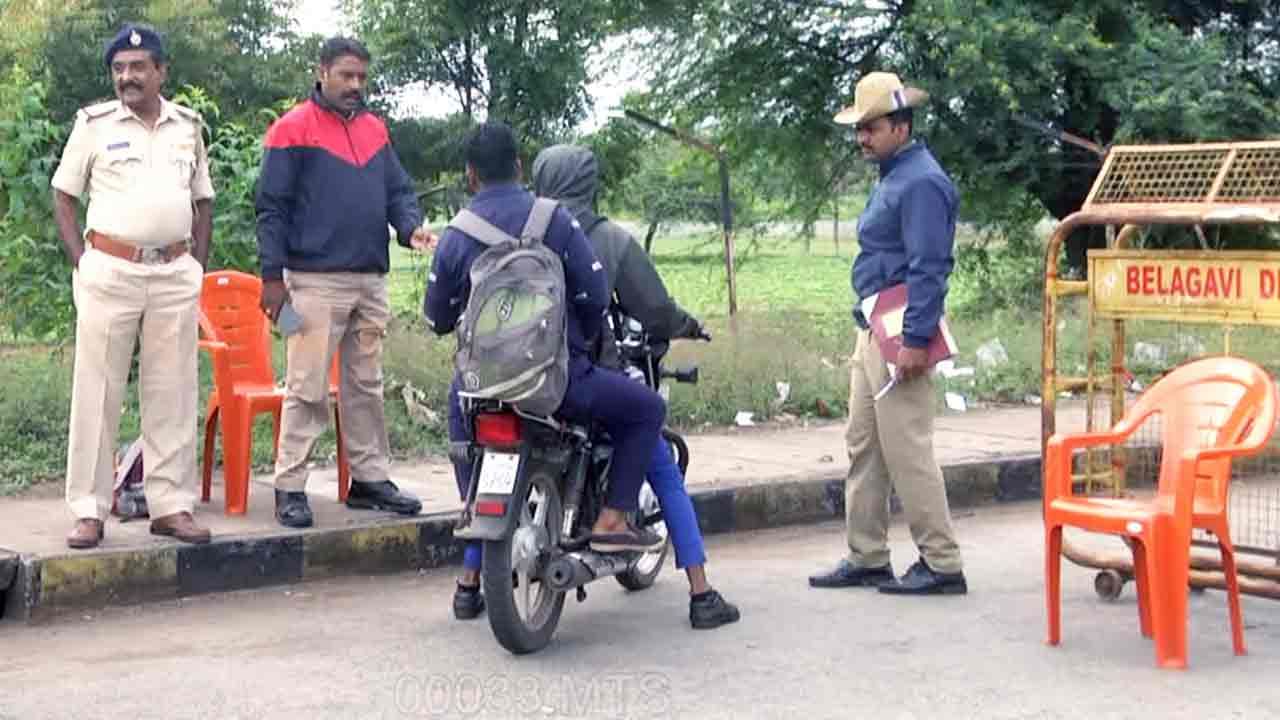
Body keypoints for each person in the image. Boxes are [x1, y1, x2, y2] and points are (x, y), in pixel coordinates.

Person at [425, 122, 666, 620]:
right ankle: (614, 517)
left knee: (462, 438)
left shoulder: (455, 234)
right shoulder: (554, 220)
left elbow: (437, 319)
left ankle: (470, 571)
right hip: (560, 384)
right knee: (646, 408)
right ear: (518, 167)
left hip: (478, 392)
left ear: (470, 176)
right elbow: (595, 297)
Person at [531, 144, 740, 629]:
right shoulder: (606, 238)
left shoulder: (522, 229)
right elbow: (653, 308)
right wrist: (687, 325)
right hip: (584, 378)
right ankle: (701, 592)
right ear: (590, 183)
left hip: (517, 379)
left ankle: (471, 583)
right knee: (659, 457)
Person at [255, 36, 433, 528]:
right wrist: (272, 278)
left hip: (370, 280)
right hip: (311, 282)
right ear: (323, 72)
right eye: (346, 76)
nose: (355, 85)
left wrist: (409, 226)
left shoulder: (376, 130)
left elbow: (398, 191)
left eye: (361, 77)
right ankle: (290, 486)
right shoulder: (292, 129)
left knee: (366, 386)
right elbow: (271, 208)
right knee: (307, 387)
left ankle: (369, 480)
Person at [51, 23, 215, 548]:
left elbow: (203, 202)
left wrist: (195, 268)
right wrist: (83, 262)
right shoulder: (93, 125)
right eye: (120, 68)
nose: (128, 76)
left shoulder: (187, 126)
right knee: (96, 392)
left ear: (161, 71)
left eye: (139, 67)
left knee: (173, 392)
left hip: (173, 273)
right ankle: (89, 511)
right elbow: (63, 196)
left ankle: (171, 505)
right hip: (110, 271)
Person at [808, 71, 968, 595]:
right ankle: (867, 554)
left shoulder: (921, 181)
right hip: (874, 325)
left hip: (901, 331)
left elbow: (929, 267)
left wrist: (916, 341)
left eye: (871, 127)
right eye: (859, 128)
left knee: (907, 448)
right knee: (864, 444)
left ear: (900, 126)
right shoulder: (895, 175)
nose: (862, 138)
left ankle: (941, 563)